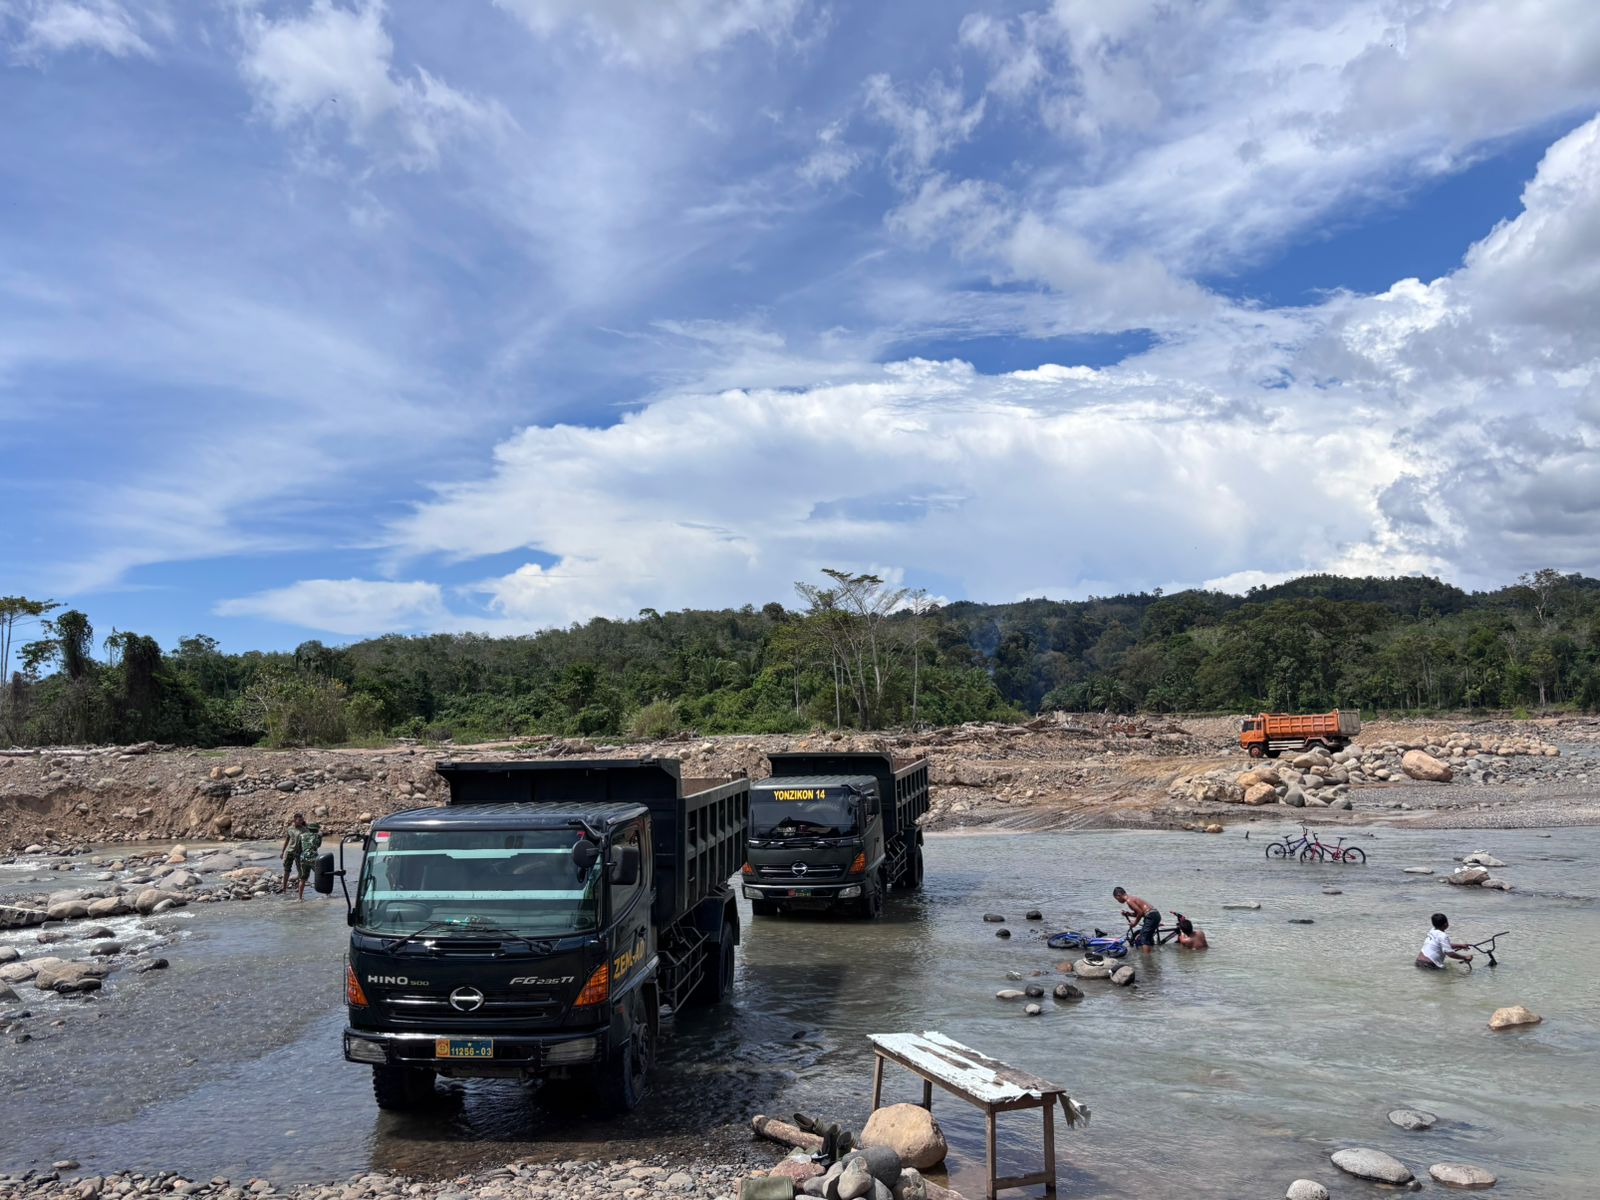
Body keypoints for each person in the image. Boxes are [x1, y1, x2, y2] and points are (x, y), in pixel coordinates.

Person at [280, 813, 322, 901]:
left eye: (302, 820)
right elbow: (287, 840)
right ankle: (284, 888)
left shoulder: (304, 830)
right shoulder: (290, 829)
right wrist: (282, 851)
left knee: (301, 871)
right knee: (287, 870)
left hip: (299, 853)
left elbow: (310, 840)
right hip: (290, 851)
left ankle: (298, 890)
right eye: (299, 820)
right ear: (294, 820)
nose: (301, 821)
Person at [1113, 886, 1161, 951]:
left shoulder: (1129, 900)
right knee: (1147, 937)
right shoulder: (1132, 898)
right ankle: (1151, 953)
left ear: (1118, 895)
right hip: (1154, 914)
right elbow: (1139, 913)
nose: (1118, 901)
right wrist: (1128, 914)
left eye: (1117, 899)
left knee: (1144, 938)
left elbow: (1140, 913)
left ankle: (1147, 957)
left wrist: (1134, 923)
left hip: (1151, 916)